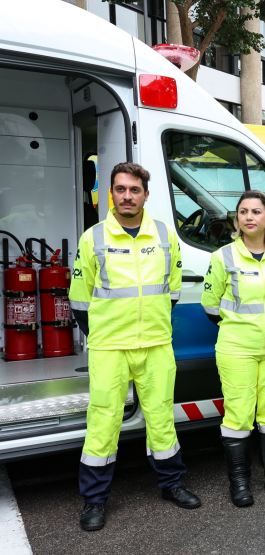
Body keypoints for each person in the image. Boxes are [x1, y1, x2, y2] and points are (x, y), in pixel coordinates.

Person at [69, 162, 200, 532]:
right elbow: (79, 301)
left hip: (156, 344)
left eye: (134, 190)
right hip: (111, 346)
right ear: (111, 192)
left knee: (162, 418)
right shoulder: (93, 237)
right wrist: (103, 334)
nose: (127, 196)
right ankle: (94, 501)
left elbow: (171, 290)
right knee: (103, 422)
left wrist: (152, 323)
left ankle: (172, 485)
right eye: (121, 189)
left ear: (146, 193)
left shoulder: (163, 235)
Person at [202, 190, 265, 507]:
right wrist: (240, 329)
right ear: (237, 219)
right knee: (239, 414)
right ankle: (240, 482)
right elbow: (210, 304)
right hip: (236, 347)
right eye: (243, 212)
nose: (249, 217)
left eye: (256, 211)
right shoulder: (224, 257)